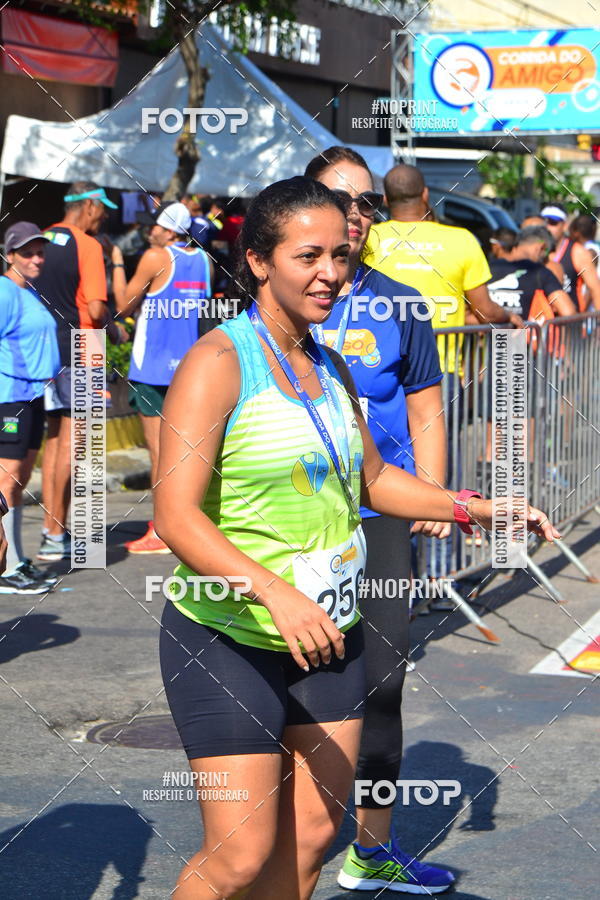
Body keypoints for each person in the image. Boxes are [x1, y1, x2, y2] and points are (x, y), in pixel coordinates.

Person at [154, 176, 558, 899]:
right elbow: (176, 514)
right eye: (308, 256)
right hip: (228, 633)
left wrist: (475, 508)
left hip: (328, 635)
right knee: (241, 857)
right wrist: (276, 594)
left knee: (311, 840)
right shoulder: (217, 364)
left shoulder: (331, 364)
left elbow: (373, 480)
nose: (330, 274)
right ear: (258, 261)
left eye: (339, 255)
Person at [304, 147, 452, 892]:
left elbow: (426, 403)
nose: (356, 213)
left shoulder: (399, 301)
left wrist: (433, 491)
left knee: (383, 679)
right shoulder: (273, 299)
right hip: (293, 524)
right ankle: (278, 841)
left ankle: (369, 850)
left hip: (381, 512)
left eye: (365, 203)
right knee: (289, 680)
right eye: (340, 198)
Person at [33, 181, 128, 561]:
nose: (102, 217)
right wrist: (115, 327)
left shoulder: (37, 241)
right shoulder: (87, 246)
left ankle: (51, 530)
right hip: (81, 348)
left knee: (55, 441)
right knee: (77, 444)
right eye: (101, 210)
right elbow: (92, 310)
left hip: (42, 350)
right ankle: (56, 533)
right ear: (88, 206)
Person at [112, 202, 213, 554]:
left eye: (156, 226)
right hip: (188, 367)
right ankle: (191, 523)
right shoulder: (202, 261)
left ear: (169, 231)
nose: (151, 230)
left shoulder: (156, 257)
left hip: (152, 368)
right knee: (188, 451)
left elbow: (124, 305)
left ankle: (161, 530)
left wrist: (117, 263)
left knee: (158, 453)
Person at [0, 223, 61, 593]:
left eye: (40, 251)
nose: (36, 258)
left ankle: (16, 560)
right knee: (5, 480)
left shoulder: (30, 291)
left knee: (17, 481)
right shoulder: (5, 290)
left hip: (33, 397)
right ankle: (4, 572)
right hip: (10, 398)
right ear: (10, 255)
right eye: (27, 253)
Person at [488, 226, 576, 320]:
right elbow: (568, 312)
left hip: (485, 333)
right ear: (541, 247)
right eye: (546, 253)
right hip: (523, 333)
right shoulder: (540, 273)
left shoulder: (488, 268)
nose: (545, 259)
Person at [541, 204, 600, 311]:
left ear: (564, 225)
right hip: (541, 322)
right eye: (544, 222)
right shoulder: (536, 251)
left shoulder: (577, 252)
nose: (547, 227)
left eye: (553, 223)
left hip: (570, 323)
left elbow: (595, 290)